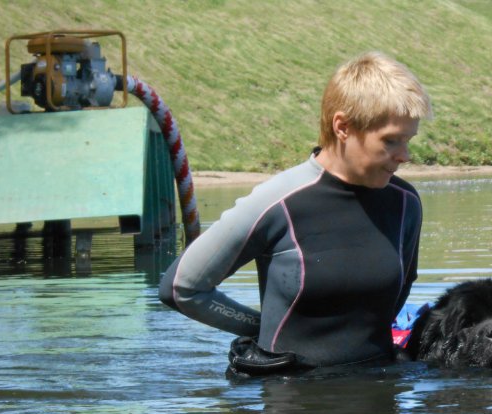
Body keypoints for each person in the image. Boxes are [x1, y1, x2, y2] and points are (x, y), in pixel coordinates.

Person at [159, 51, 432, 375]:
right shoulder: (278, 201)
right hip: (290, 402)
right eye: (391, 141)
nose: (405, 156)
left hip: (377, 397)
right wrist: (258, 330)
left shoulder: (405, 205)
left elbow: (397, 297)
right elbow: (181, 288)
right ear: (342, 127)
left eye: (408, 141)